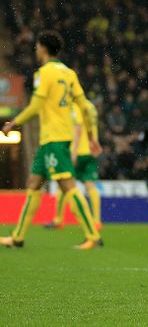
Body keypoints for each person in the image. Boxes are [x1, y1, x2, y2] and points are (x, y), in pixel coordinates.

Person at [1, 30, 103, 249]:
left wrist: (13, 122)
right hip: (52, 139)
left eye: (37, 47)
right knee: (33, 183)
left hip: (55, 139)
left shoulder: (44, 73)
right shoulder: (69, 74)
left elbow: (36, 106)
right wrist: (92, 137)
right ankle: (17, 236)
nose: (36, 50)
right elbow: (85, 106)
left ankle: (92, 235)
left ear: (43, 48)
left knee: (68, 186)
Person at [46, 101, 102, 231]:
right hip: (91, 151)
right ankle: (97, 221)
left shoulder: (75, 106)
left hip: (77, 152)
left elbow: (78, 128)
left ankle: (58, 220)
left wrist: (74, 152)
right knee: (91, 186)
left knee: (64, 185)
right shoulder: (91, 106)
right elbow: (92, 127)